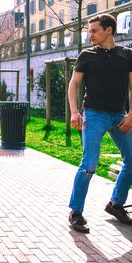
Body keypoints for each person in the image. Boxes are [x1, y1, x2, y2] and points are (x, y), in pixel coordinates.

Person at [68, 14, 132, 233]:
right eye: (89, 31)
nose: (90, 34)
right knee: (89, 165)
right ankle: (76, 212)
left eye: (94, 30)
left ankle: (116, 204)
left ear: (109, 30)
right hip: (94, 115)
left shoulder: (127, 55)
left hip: (119, 115)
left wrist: (131, 115)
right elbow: (73, 84)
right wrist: (75, 112)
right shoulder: (87, 55)